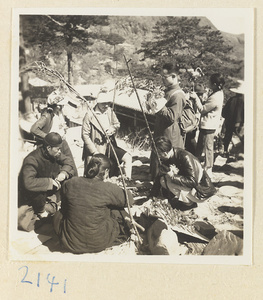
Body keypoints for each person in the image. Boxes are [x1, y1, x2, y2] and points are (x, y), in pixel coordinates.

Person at [53, 154, 134, 254]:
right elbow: (129, 200)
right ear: (106, 172)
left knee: (59, 214)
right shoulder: (108, 188)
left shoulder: (70, 182)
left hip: (70, 243)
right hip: (98, 242)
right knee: (117, 210)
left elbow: (64, 206)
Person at [18, 132, 76, 231]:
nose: (60, 152)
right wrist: (50, 182)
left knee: (70, 174)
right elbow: (28, 183)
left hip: (48, 193)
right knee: (27, 222)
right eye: (58, 149)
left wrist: (63, 173)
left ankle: (48, 209)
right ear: (48, 148)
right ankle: (42, 211)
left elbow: (69, 162)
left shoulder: (54, 153)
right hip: (33, 196)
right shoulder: (32, 159)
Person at [150, 136, 216, 211]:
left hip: (201, 191)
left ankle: (189, 204)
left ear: (164, 153)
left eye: (158, 153)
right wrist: (152, 196)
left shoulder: (184, 157)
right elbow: (160, 176)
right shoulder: (168, 157)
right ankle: (183, 199)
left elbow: (193, 181)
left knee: (169, 182)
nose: (157, 156)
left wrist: (173, 176)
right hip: (191, 187)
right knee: (163, 179)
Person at [81, 90, 132, 179]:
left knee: (127, 157)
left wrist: (112, 129)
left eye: (108, 103)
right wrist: (94, 151)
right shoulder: (90, 115)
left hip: (110, 145)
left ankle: (128, 180)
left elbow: (116, 124)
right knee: (98, 172)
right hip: (96, 147)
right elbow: (85, 135)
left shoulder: (109, 111)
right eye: (103, 103)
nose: (106, 105)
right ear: (98, 103)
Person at [150, 63, 186, 180]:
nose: (162, 80)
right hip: (161, 130)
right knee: (158, 155)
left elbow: (172, 117)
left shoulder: (178, 95)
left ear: (174, 76)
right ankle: (156, 180)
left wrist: (159, 104)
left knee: (167, 160)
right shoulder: (167, 91)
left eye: (165, 77)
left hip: (170, 134)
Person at [30, 89, 78, 175]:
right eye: (61, 105)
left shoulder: (58, 113)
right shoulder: (47, 115)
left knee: (71, 166)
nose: (62, 107)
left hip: (62, 143)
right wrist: (49, 138)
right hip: (53, 146)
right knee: (57, 169)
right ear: (57, 106)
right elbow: (34, 129)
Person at [190, 73, 225, 178]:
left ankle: (206, 170)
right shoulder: (218, 93)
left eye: (210, 82)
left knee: (205, 148)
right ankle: (203, 167)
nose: (208, 83)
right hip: (210, 125)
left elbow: (203, 110)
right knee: (206, 147)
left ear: (214, 84)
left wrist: (196, 98)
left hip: (208, 126)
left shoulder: (215, 97)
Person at [221, 80, 244, 156]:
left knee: (228, 136)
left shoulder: (231, 99)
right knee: (240, 137)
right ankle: (240, 152)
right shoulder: (244, 101)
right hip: (239, 122)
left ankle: (225, 151)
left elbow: (224, 112)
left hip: (229, 121)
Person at [184, 83, 207, 155]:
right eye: (200, 94)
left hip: (191, 124)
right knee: (190, 140)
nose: (201, 95)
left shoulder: (195, 101)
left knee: (190, 140)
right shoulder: (191, 101)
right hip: (190, 124)